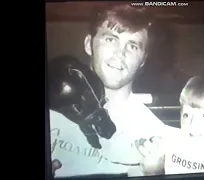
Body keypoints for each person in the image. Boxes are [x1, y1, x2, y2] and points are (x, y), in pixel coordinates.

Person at [49, 4, 175, 177]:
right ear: (88, 44)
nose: (120, 53)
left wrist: (157, 175)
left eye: (132, 46)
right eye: (111, 39)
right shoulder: (51, 114)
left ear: (143, 60)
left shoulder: (156, 137)